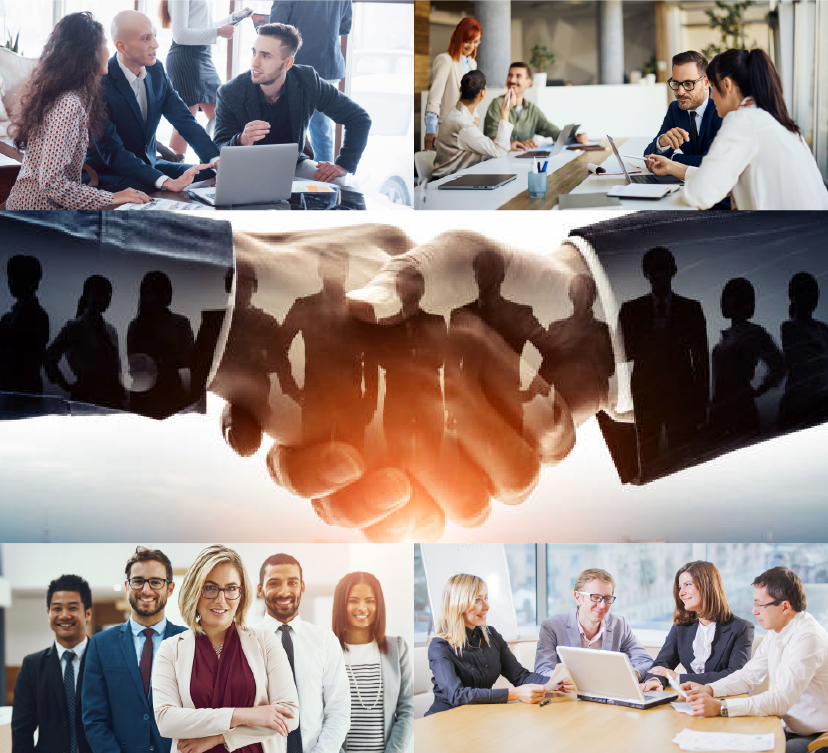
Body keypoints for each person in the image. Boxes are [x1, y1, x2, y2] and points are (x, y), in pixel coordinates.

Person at [152, 545, 299, 753]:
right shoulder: (170, 649)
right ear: (195, 590)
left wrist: (220, 737)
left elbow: (288, 716)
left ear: (241, 594)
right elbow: (166, 720)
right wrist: (242, 715)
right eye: (210, 587)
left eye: (231, 588)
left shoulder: (265, 640)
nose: (221, 600)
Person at [646, 49, 828, 210]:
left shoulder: (742, 120)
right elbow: (727, 181)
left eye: (713, 87)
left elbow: (698, 195)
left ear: (726, 85)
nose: (712, 96)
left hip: (791, 237)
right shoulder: (769, 117)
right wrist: (673, 166)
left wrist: (675, 161)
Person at [5, 12, 149, 209]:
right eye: (105, 44)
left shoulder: (76, 96)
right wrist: (112, 197)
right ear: (88, 54)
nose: (109, 51)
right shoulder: (68, 104)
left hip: (46, 212)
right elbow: (51, 183)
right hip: (38, 215)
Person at [683, 567, 828, 753]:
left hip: (820, 736)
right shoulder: (778, 632)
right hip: (794, 729)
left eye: (760, 605)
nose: (754, 611)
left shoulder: (808, 637)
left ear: (785, 606)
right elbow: (748, 676)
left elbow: (781, 699)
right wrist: (710, 689)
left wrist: (722, 707)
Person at [214, 22, 371, 185]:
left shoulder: (307, 80)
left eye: (265, 55)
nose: (255, 63)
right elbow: (219, 146)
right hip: (245, 169)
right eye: (254, 53)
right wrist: (242, 140)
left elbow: (358, 118)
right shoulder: (230, 92)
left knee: (337, 182)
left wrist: (344, 165)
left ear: (288, 63)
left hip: (293, 166)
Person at [88, 10, 219, 194]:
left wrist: (215, 159)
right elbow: (113, 153)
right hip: (108, 170)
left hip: (149, 164)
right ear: (122, 47)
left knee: (205, 174)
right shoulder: (100, 81)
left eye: (155, 36)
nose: (156, 44)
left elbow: (184, 120)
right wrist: (166, 182)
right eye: (146, 38)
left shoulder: (156, 70)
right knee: (150, 187)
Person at [82, 547, 187, 753]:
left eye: (156, 582)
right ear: (127, 586)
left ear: (171, 588)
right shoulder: (100, 644)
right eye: (138, 581)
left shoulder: (189, 641)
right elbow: (94, 719)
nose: (146, 590)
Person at [618, 246, 709, 475]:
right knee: (646, 459)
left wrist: (702, 403)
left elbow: (701, 359)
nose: (659, 274)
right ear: (646, 273)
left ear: (673, 270)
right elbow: (621, 355)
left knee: (682, 460)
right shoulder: (630, 310)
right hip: (645, 396)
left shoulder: (691, 309)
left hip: (681, 396)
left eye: (663, 268)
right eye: (654, 269)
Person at [427, 574, 562, 715]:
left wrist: (556, 682)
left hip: (480, 717)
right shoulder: (440, 646)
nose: (487, 606)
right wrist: (514, 694)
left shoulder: (491, 635)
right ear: (458, 605)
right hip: (446, 720)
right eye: (477, 600)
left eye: (486, 598)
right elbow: (457, 695)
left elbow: (520, 677)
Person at [257, 553, 351, 753]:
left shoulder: (325, 641)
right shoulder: (244, 642)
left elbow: (338, 711)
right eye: (274, 583)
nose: (284, 591)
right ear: (260, 589)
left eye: (292, 582)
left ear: (302, 587)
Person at [159, 0, 254, 157]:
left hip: (202, 57)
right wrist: (218, 32)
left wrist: (234, 17)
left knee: (223, 117)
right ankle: (173, 171)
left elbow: (202, 27)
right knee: (186, 123)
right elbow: (180, 35)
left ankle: (226, 165)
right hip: (187, 60)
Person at [331, 572, 413, 753]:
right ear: (341, 605)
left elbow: (407, 709)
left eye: (370, 600)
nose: (362, 607)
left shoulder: (397, 648)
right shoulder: (327, 651)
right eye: (353, 600)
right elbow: (320, 714)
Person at [640, 561, 753, 692]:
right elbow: (661, 664)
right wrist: (655, 680)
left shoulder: (741, 628)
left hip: (724, 701)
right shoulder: (682, 626)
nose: (681, 593)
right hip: (690, 699)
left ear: (707, 585)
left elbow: (735, 677)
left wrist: (678, 678)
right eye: (680, 587)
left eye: (687, 585)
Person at [11, 575, 94, 753]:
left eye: (72, 607)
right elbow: (21, 732)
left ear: (87, 613)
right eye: (57, 608)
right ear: (49, 613)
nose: (64, 615)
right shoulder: (31, 666)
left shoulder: (104, 661)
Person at [269, 0, 352, 164]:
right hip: (329, 65)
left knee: (287, 123)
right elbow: (344, 27)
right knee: (321, 128)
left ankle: (288, 176)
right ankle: (324, 181)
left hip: (299, 64)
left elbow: (276, 27)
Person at [534, 568, 653, 679]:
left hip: (608, 695)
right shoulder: (552, 626)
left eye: (607, 598)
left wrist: (630, 676)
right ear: (578, 598)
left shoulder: (619, 624)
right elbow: (542, 670)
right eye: (595, 597)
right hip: (569, 696)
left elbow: (645, 662)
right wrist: (568, 681)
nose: (602, 605)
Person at [708, 277, 785, 441]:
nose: (735, 301)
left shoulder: (756, 333)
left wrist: (760, 389)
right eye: (731, 296)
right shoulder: (725, 336)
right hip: (718, 409)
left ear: (748, 302)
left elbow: (779, 365)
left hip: (740, 407)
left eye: (740, 297)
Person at [43, 275, 124, 410]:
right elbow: (50, 356)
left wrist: (121, 393)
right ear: (87, 296)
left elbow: (116, 366)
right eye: (98, 293)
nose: (104, 298)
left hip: (110, 396)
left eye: (107, 295)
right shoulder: (75, 326)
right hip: (87, 394)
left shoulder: (110, 329)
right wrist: (65, 384)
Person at [127, 270, 195, 419]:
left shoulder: (180, 323)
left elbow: (189, 359)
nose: (155, 297)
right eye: (151, 291)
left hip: (170, 391)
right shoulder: (136, 325)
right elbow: (133, 362)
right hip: (144, 394)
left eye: (160, 291)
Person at [643, 51, 723, 167]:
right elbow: (648, 157)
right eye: (676, 83)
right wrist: (662, 143)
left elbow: (712, 163)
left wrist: (672, 158)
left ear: (706, 82)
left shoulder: (721, 109)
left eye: (689, 84)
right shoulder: (675, 109)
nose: (680, 92)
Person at [483, 62, 588, 150]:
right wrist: (512, 143)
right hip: (498, 162)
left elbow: (552, 130)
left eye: (518, 76)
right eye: (510, 75)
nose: (512, 80)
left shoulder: (533, 110)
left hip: (524, 162)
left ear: (528, 82)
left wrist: (575, 137)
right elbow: (491, 138)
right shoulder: (497, 104)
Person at [431, 70, 515, 180]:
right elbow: (500, 151)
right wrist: (505, 111)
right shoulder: (462, 124)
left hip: (458, 178)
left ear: (461, 89)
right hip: (447, 182)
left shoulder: (458, 113)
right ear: (482, 93)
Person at [778, 273, 828, 430]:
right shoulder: (789, 328)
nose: (811, 296)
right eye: (804, 290)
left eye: (814, 291)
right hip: (800, 409)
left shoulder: (824, 329)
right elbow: (802, 366)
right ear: (793, 296)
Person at [424, 17, 481, 151]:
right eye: (467, 41)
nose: (471, 47)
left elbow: (471, 96)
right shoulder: (445, 60)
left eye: (475, 42)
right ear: (458, 38)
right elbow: (434, 97)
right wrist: (430, 129)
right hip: (446, 129)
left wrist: (476, 117)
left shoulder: (472, 63)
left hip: (468, 129)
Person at [0, 255, 49, 395]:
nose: (10, 282)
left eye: (16, 277)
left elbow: (29, 359)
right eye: (11, 277)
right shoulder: (8, 318)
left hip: (22, 390)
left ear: (33, 282)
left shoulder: (38, 316)